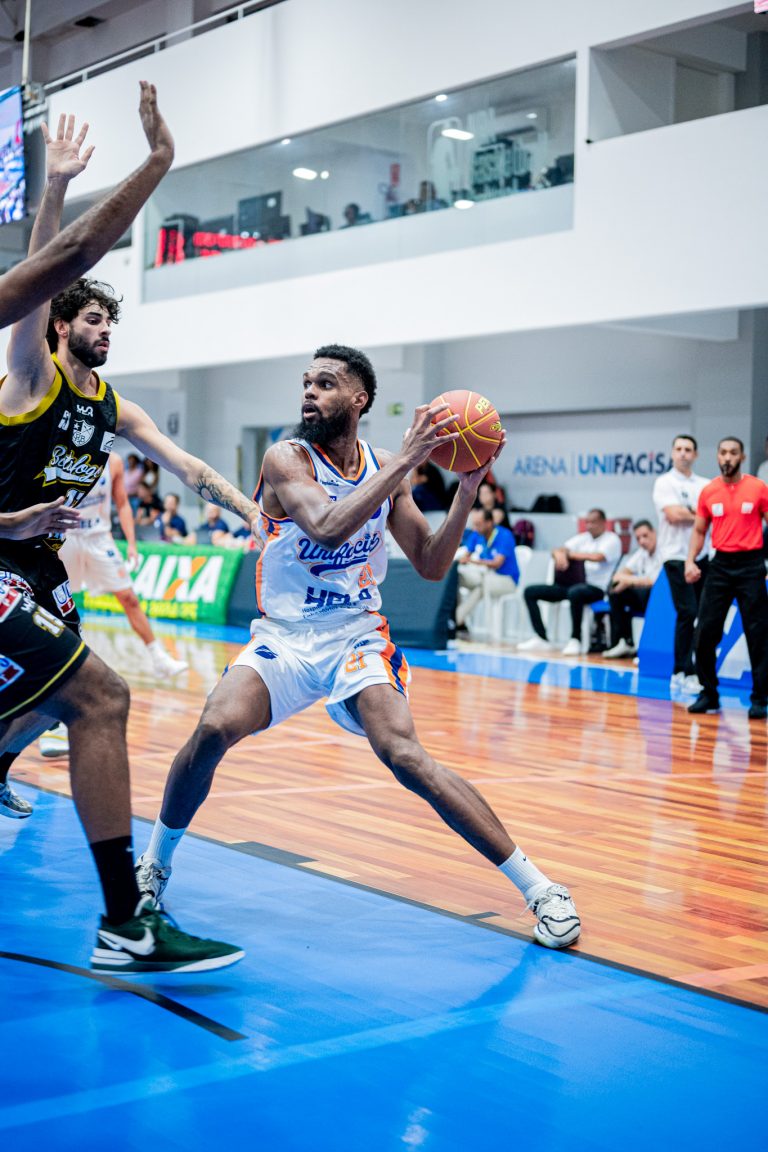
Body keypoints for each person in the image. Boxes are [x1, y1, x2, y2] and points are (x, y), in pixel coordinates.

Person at [135, 345, 581, 950]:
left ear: (358, 399)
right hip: (285, 638)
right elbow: (326, 527)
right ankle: (155, 862)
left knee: (404, 755)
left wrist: (466, 490)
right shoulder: (286, 457)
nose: (309, 392)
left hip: (357, 634)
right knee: (213, 728)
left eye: (325, 383)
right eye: (306, 382)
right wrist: (408, 460)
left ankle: (541, 888)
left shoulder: (384, 466)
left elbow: (431, 563)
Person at [0, 105, 257, 972]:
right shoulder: (27, 375)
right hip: (2, 555)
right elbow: (43, 269)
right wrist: (58, 188)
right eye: (93, 321)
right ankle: (125, 922)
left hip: (38, 569)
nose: (105, 332)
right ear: (59, 324)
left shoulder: (115, 407)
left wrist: (250, 514)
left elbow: (187, 467)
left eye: (113, 324)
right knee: (99, 697)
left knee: (52, 699)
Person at [60, 453, 188, 678]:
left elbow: (122, 503)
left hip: (99, 537)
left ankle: (159, 659)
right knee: (57, 600)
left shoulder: (114, 461)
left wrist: (131, 544)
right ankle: (57, 662)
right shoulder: (62, 452)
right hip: (65, 535)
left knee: (129, 597)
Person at [685, 437, 768, 719]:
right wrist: (690, 560)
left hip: (751, 565)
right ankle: (708, 693)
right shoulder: (709, 491)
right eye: (723, 452)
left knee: (758, 633)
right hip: (719, 566)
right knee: (705, 632)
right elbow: (699, 530)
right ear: (718, 456)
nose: (728, 457)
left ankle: (760, 698)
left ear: (741, 458)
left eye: (733, 453)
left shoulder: (758, 488)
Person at [519, 509, 622, 656]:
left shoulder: (612, 539)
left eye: (593, 522)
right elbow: (559, 549)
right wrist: (558, 555)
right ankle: (541, 637)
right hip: (571, 585)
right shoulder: (582, 538)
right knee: (530, 592)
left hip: (596, 588)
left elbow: (598, 557)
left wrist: (570, 554)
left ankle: (575, 639)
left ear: (603, 522)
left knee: (576, 592)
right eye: (587, 522)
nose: (589, 525)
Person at [652, 435, 710, 694]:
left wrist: (692, 514)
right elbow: (674, 515)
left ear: (695, 454)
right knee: (687, 611)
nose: (683, 453)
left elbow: (713, 516)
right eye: (679, 449)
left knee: (701, 615)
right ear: (672, 453)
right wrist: (700, 514)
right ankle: (682, 671)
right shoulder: (664, 482)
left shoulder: (705, 485)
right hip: (675, 555)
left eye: (688, 449)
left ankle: (695, 669)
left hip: (703, 555)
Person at [455, 507, 519, 636]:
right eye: (474, 524)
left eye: (478, 524)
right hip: (484, 576)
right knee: (456, 578)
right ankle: (457, 620)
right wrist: (463, 559)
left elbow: (496, 563)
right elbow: (465, 556)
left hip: (506, 580)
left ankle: (456, 620)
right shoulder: (476, 534)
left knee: (482, 585)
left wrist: (473, 561)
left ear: (489, 523)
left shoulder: (504, 535)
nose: (475, 528)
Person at [602, 520, 661, 658]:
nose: (642, 541)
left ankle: (649, 647)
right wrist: (626, 581)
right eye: (638, 538)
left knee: (644, 590)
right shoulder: (641, 553)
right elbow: (618, 576)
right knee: (615, 591)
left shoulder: (665, 551)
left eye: (645, 536)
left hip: (658, 598)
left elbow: (653, 582)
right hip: (643, 596)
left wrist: (629, 581)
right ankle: (624, 641)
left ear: (654, 533)